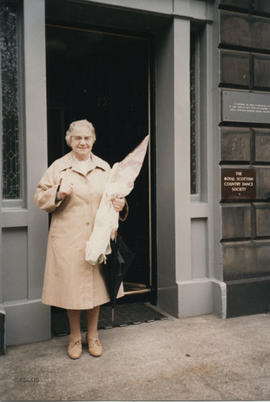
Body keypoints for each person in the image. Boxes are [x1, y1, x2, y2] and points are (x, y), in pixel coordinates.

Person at [34, 119, 126, 359]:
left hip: (97, 238)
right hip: (68, 239)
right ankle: (75, 338)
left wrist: (121, 203)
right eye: (77, 138)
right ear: (70, 140)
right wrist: (58, 192)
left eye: (87, 138)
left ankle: (93, 336)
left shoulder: (105, 168)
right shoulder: (58, 167)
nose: (82, 142)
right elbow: (40, 198)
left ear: (93, 140)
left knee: (96, 290)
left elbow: (117, 197)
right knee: (71, 290)